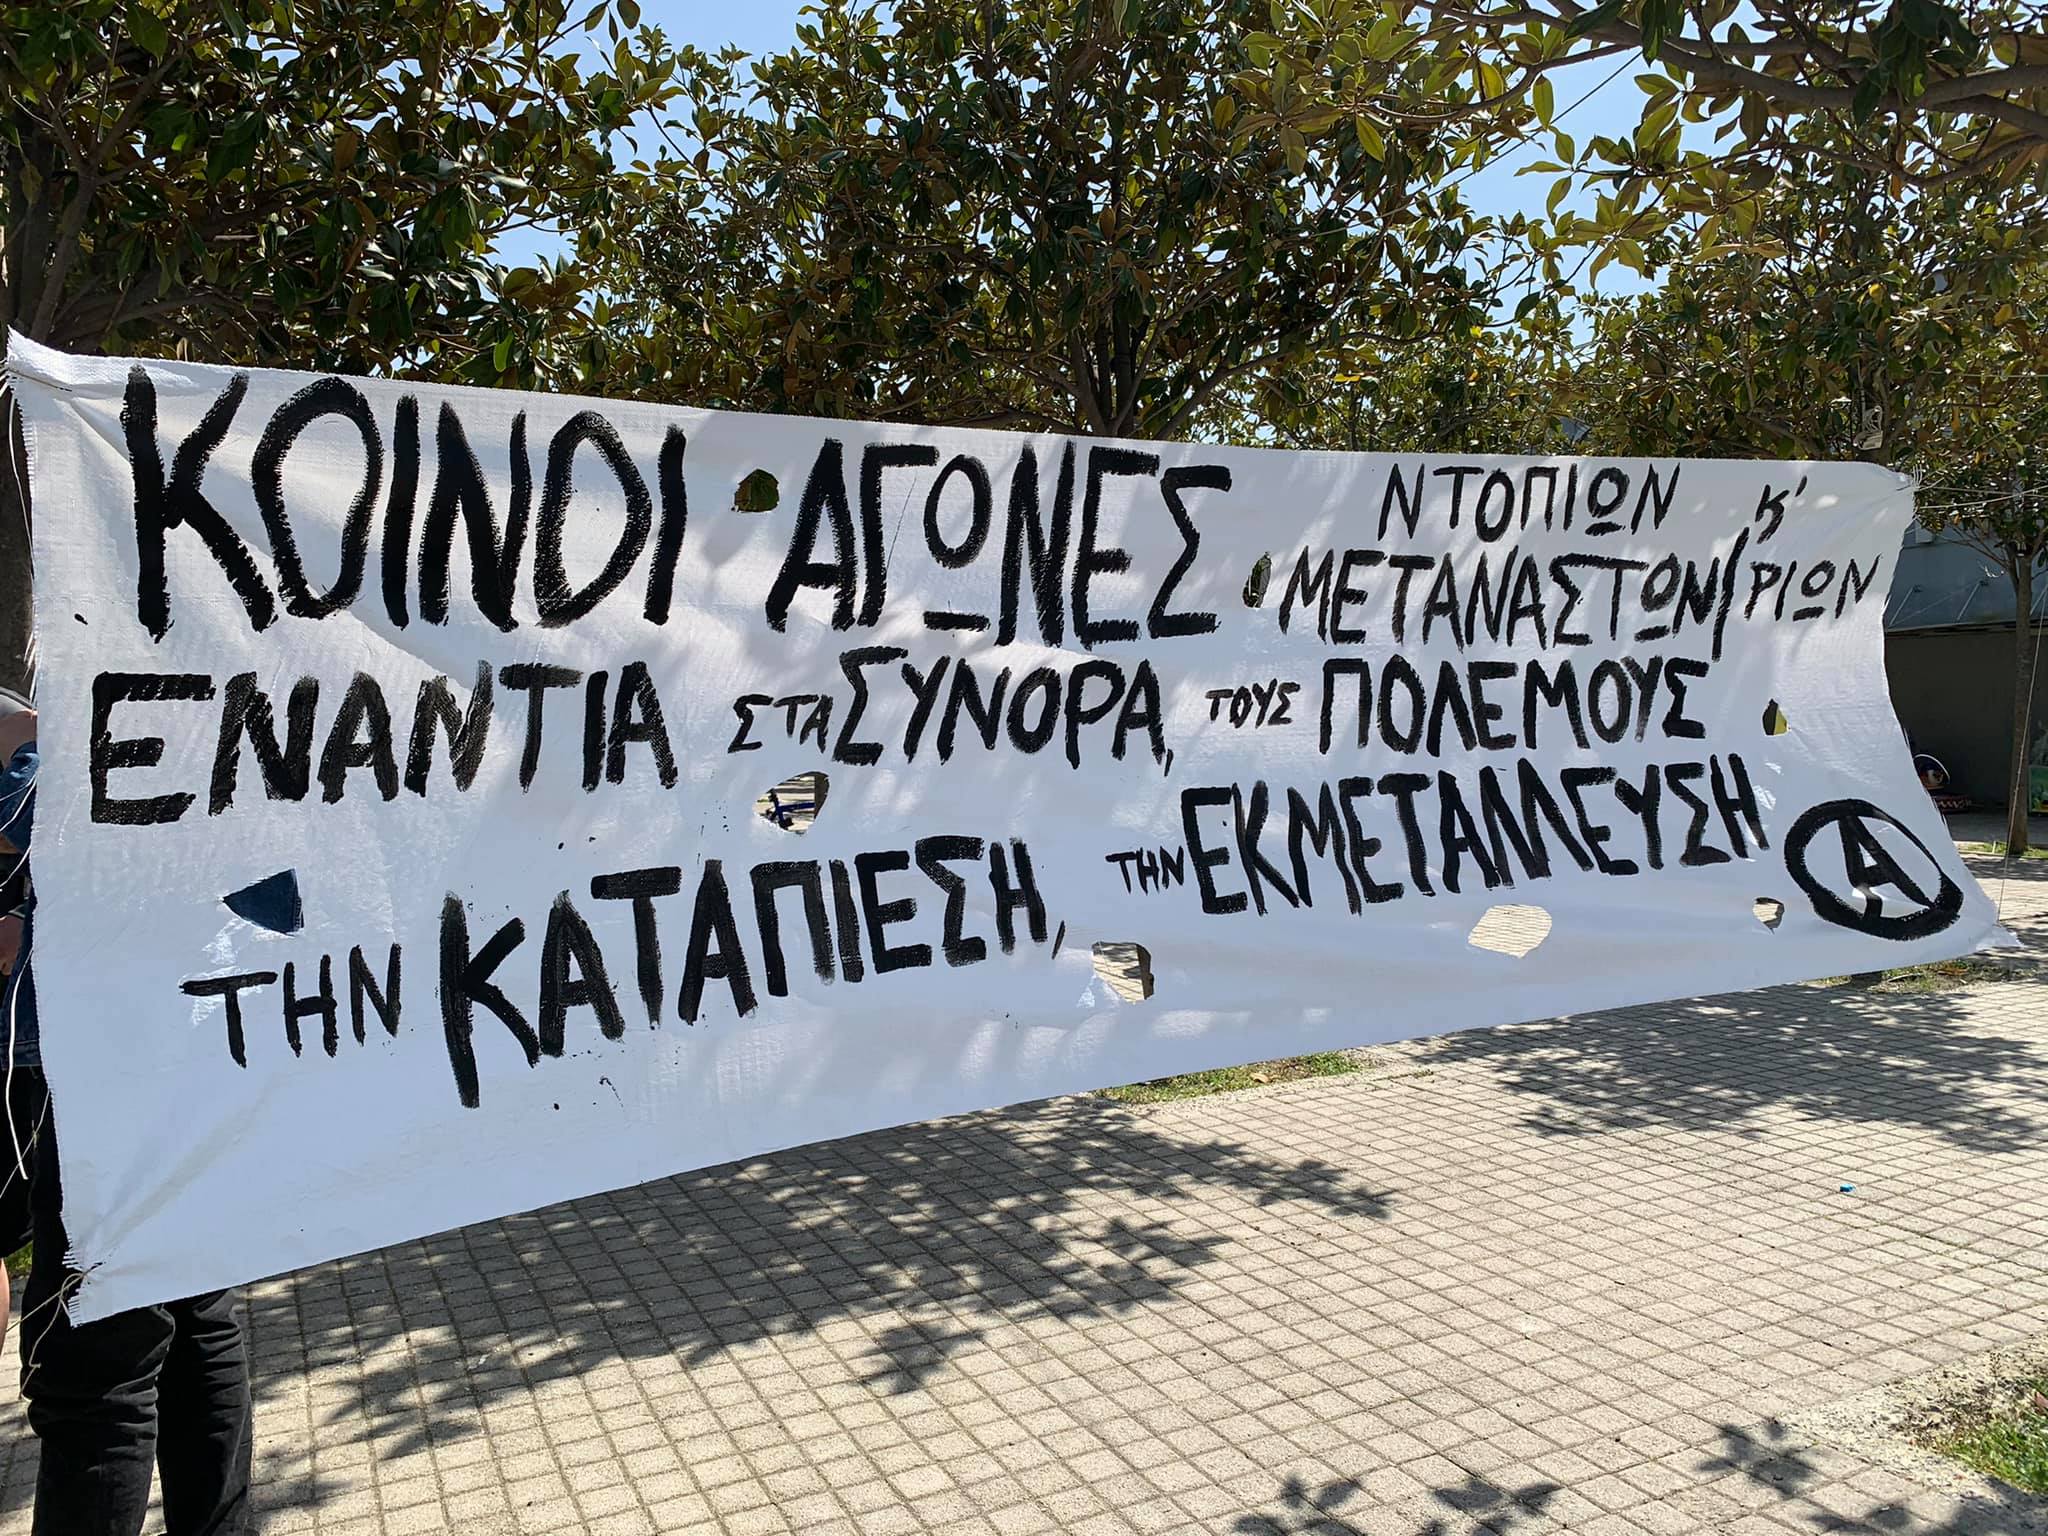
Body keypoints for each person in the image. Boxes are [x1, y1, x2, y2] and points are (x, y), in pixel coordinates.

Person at [0, 688, 255, 1536]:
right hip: (190, 1036)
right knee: (189, 1312)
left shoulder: (74, 719)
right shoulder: (212, 701)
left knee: (102, 1351)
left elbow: (67, 837)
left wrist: (21, 746)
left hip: (109, 1052)